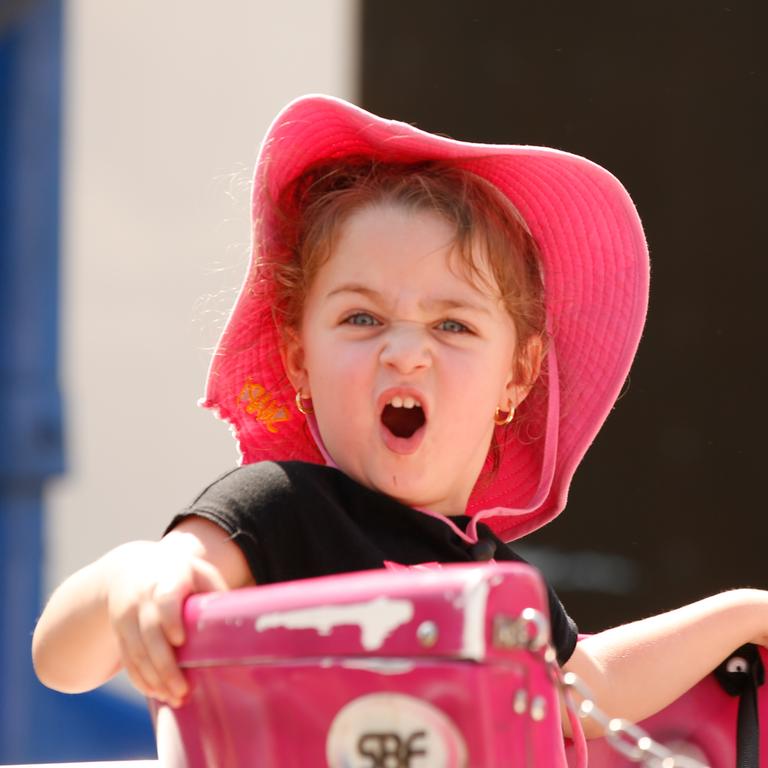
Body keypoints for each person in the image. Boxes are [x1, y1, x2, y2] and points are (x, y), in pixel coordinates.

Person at [32, 95, 768, 740]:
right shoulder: (279, 509)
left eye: (452, 326)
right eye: (361, 317)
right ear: (299, 361)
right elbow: (61, 660)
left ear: (515, 376)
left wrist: (744, 613)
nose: (406, 353)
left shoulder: (496, 583)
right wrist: (136, 576)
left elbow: (595, 686)